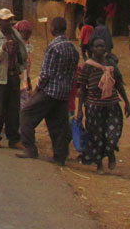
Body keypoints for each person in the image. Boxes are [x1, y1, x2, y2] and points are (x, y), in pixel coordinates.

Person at [16, 16, 79, 165]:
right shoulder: (73, 48)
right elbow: (73, 73)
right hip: (64, 93)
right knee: (57, 124)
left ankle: (30, 148)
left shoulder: (53, 47)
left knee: (26, 114)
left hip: (50, 91)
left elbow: (46, 73)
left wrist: (37, 89)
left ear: (53, 29)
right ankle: (60, 157)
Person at [76, 37, 130, 171]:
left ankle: (111, 153)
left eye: (102, 46)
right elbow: (82, 89)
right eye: (97, 46)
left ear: (105, 49)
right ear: (92, 49)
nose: (100, 48)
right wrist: (79, 110)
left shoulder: (111, 65)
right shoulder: (88, 66)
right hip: (94, 107)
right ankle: (99, 163)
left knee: (112, 134)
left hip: (111, 105)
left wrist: (127, 102)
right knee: (96, 137)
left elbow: (118, 84)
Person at [0, 8, 28, 148]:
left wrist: (22, 67)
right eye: (6, 20)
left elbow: (23, 52)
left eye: (10, 20)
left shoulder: (14, 34)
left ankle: (14, 138)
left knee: (13, 109)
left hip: (13, 75)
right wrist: (2, 49)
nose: (9, 22)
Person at [15, 19, 34, 109]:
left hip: (18, 76)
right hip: (24, 77)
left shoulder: (16, 44)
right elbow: (29, 62)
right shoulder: (29, 46)